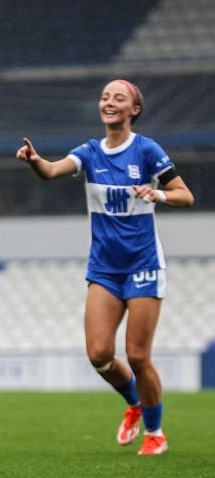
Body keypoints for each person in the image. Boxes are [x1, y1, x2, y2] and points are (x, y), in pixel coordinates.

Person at [16, 79, 194, 456]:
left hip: (143, 264)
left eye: (119, 98)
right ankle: (133, 403)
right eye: (104, 97)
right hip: (105, 267)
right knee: (98, 354)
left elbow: (185, 195)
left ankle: (155, 431)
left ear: (134, 110)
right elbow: (51, 171)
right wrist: (35, 162)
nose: (109, 102)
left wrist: (157, 193)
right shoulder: (91, 152)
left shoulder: (146, 150)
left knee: (138, 356)